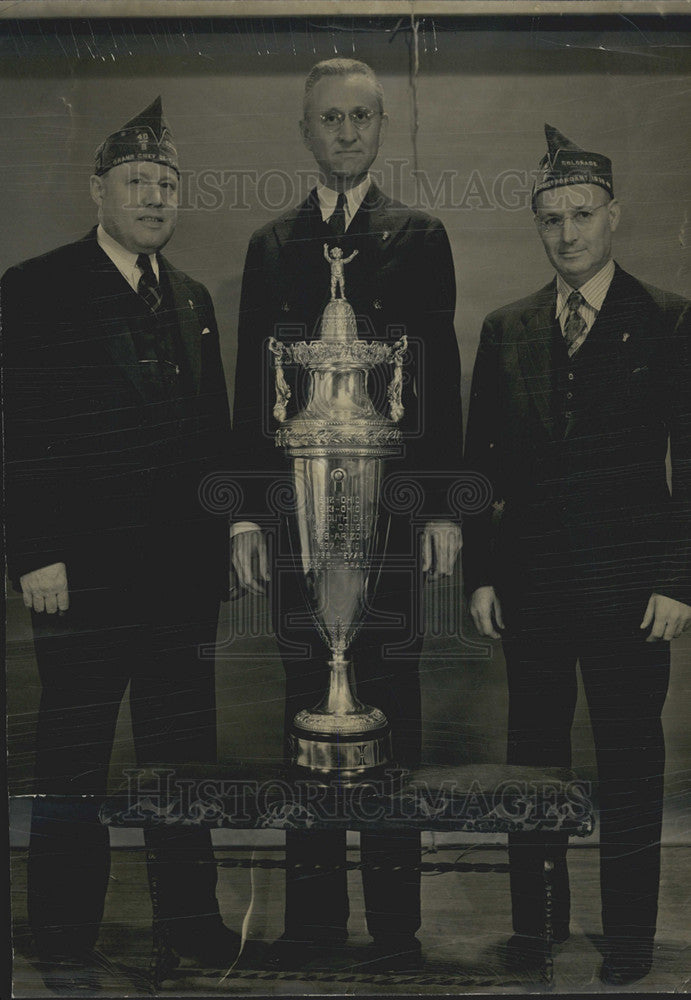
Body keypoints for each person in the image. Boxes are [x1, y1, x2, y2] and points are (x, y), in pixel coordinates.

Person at [231, 58, 463, 969]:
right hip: (294, 516)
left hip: (394, 515)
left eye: (361, 118)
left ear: (379, 127)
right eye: (328, 119)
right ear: (305, 130)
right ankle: (316, 921)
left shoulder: (419, 233)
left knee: (389, 706)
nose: (346, 134)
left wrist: (445, 507)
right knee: (305, 702)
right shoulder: (271, 243)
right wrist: (245, 516)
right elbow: (254, 382)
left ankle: (397, 928)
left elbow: (439, 374)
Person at [3, 98, 239, 989]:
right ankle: (62, 933)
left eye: (167, 184)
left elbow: (210, 438)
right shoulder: (35, 287)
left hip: (179, 579)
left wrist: (235, 527)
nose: (153, 197)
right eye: (137, 182)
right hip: (83, 575)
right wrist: (35, 551)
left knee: (183, 758)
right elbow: (19, 429)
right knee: (73, 752)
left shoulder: (192, 299)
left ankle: (193, 922)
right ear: (96, 189)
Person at [463, 124, 691, 986]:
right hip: (530, 590)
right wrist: (482, 571)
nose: (567, 234)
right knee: (534, 764)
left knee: (630, 763)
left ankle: (629, 936)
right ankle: (536, 930)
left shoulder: (665, 320)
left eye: (582, 215)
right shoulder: (506, 327)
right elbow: (483, 464)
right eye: (551, 219)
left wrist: (679, 580)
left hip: (633, 594)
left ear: (614, 216)